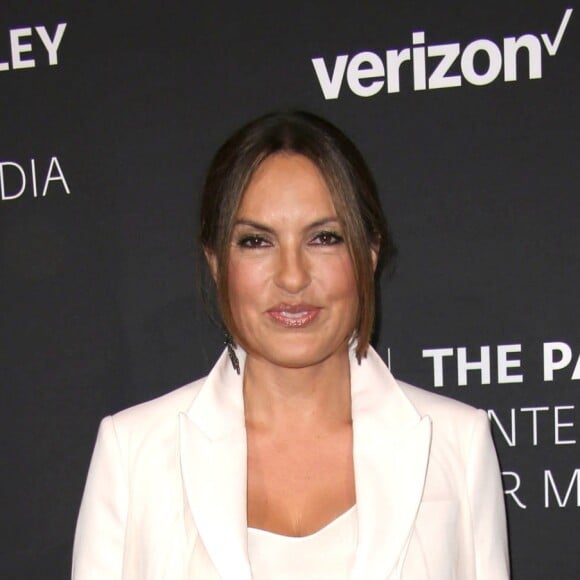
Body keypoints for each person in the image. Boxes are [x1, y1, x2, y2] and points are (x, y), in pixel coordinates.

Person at [72, 111, 510, 579]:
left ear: (369, 251)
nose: (293, 277)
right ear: (216, 262)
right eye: (257, 241)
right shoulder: (134, 453)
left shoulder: (456, 446)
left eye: (325, 238)